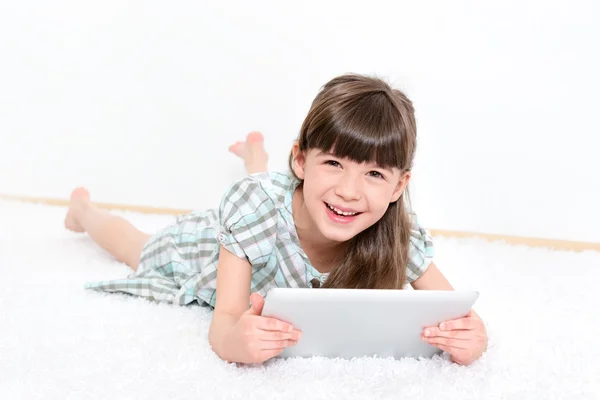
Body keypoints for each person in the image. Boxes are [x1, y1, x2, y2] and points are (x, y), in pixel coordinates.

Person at [65, 74, 488, 365]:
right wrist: (236, 342)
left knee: (274, 198)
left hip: (275, 210)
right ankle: (84, 211)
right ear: (301, 160)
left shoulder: (398, 232)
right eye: (334, 163)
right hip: (209, 251)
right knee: (136, 246)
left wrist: (473, 341)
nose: (350, 191)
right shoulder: (255, 209)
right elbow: (225, 323)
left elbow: (458, 314)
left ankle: (255, 158)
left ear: (398, 187)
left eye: (375, 174)